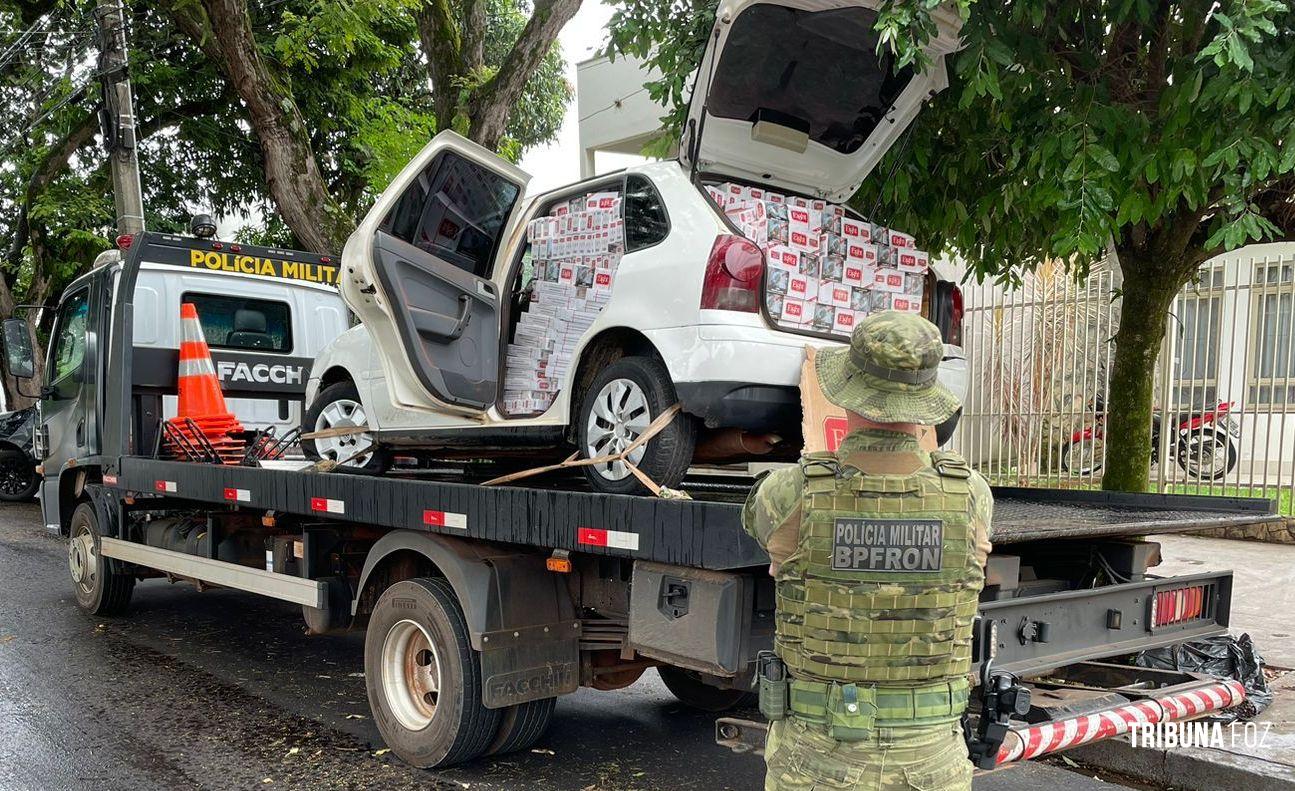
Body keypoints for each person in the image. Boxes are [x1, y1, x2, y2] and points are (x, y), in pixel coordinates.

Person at [743, 311, 993, 791]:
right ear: (925, 397)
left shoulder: (791, 492)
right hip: (933, 761)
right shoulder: (972, 494)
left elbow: (758, 522)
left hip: (816, 761)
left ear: (848, 390)